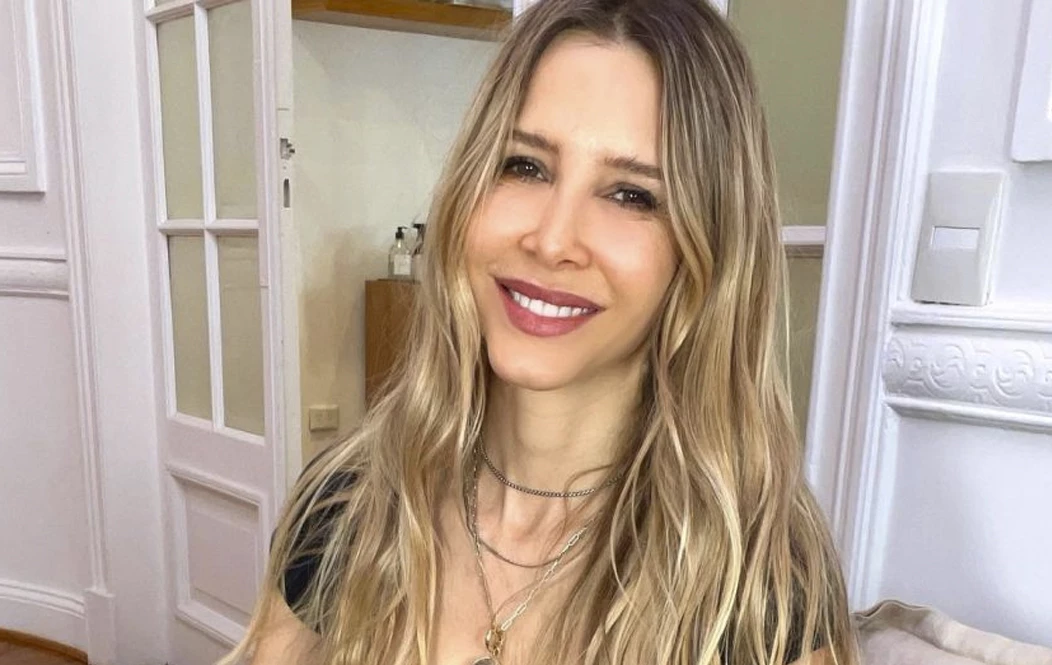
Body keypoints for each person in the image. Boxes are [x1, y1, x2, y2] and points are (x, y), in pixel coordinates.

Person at [222, 0, 858, 663]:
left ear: (707, 254)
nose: (552, 240)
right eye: (525, 165)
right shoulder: (348, 504)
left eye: (631, 194)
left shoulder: (760, 587)